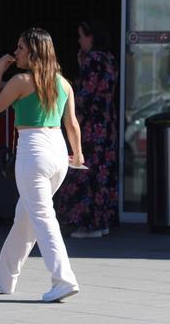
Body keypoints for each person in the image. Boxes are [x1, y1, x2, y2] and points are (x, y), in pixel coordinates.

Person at [0, 27, 83, 303]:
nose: (16, 53)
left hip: (33, 151)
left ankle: (64, 279)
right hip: (59, 152)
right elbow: (71, 124)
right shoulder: (63, 84)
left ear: (34, 52)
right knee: (25, 217)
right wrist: (78, 153)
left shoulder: (21, 81)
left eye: (20, 48)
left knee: (41, 217)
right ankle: (4, 275)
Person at [55, 20, 118, 238]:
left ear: (91, 37)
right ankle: (102, 221)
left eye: (82, 36)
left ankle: (90, 224)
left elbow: (85, 94)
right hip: (107, 123)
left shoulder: (93, 59)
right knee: (103, 173)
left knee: (85, 171)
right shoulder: (109, 58)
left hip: (91, 126)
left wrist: (69, 113)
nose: (79, 40)